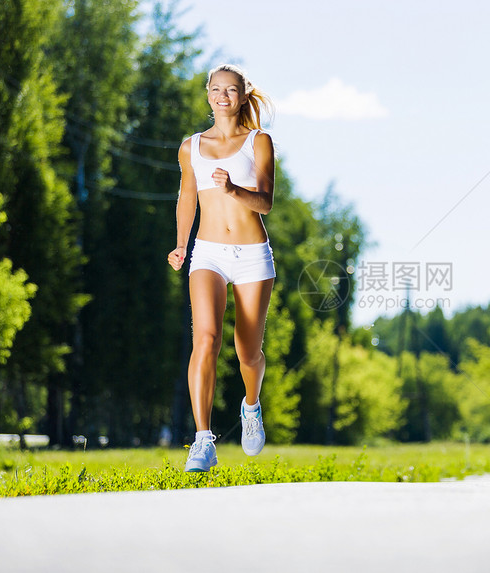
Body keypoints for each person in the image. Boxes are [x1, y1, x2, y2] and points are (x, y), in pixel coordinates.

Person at [167, 64, 276, 472]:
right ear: (208, 93)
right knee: (206, 339)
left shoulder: (258, 142)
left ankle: (251, 405)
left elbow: (265, 202)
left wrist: (233, 189)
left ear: (244, 95)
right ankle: (202, 440)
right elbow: (187, 200)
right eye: (216, 89)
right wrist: (181, 245)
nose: (222, 96)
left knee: (247, 353)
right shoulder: (190, 146)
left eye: (231, 90)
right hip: (207, 252)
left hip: (251, 255)